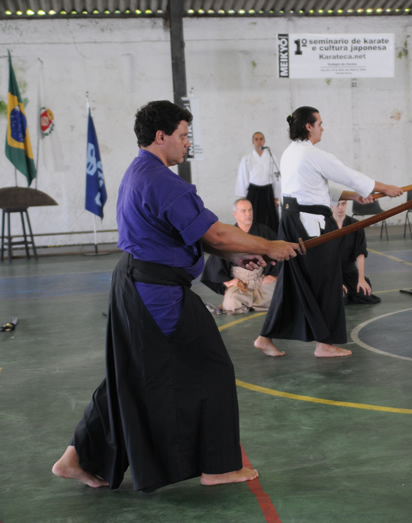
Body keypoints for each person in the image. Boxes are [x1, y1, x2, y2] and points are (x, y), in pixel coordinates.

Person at [51, 100, 300, 492]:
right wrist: (270, 246)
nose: (187, 143)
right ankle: (218, 467)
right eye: (183, 135)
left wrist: (238, 254)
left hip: (133, 285)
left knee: (131, 372)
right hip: (157, 293)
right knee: (212, 367)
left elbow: (195, 236)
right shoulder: (163, 182)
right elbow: (215, 234)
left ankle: (77, 457)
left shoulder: (139, 172)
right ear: (161, 136)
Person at [254, 106, 402, 358]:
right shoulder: (313, 154)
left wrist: (354, 196)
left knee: (294, 282)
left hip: (292, 222)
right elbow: (349, 175)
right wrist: (384, 187)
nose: (323, 128)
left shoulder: (291, 153)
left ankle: (265, 337)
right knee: (328, 281)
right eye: (320, 123)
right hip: (311, 226)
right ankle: (324, 344)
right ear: (308, 126)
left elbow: (315, 188)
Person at [201, 198, 279, 314]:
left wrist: (273, 275)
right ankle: (252, 304)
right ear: (235, 214)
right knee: (232, 300)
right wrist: (228, 282)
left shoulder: (265, 232)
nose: (248, 214)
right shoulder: (228, 236)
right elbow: (215, 264)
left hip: (261, 281)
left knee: (279, 294)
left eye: (250, 210)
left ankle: (246, 305)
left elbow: (278, 254)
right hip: (240, 285)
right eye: (243, 211)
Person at [331, 200, 381, 305]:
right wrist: (335, 282)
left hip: (350, 272)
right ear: (331, 205)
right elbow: (322, 256)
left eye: (343, 203)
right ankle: (346, 294)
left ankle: (349, 292)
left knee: (365, 294)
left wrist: (361, 279)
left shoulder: (356, 225)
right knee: (340, 299)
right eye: (337, 204)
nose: (340, 207)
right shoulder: (324, 225)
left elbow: (360, 253)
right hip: (331, 273)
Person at [236, 131, 281, 231]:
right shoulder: (247, 158)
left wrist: (276, 196)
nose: (259, 141)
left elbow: (276, 177)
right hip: (254, 191)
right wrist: (243, 196)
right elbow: (243, 177)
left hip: (268, 190)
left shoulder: (271, 157)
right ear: (253, 142)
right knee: (253, 215)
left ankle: (270, 235)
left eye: (261, 139)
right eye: (256, 139)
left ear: (264, 141)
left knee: (269, 217)